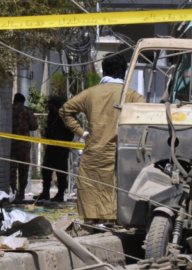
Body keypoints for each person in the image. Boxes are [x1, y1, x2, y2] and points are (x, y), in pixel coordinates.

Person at [60, 54, 145, 222]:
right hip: (120, 154)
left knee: (90, 187)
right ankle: (113, 221)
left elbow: (65, 110)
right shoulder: (131, 95)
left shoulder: (90, 93)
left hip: (94, 152)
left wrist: (82, 133)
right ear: (124, 72)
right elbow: (147, 113)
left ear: (104, 71)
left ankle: (92, 223)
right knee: (116, 188)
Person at [37, 96, 73, 202]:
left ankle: (60, 194)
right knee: (46, 170)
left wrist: (63, 141)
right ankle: (45, 192)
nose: (48, 106)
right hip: (51, 147)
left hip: (61, 149)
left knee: (61, 172)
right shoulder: (51, 116)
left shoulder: (64, 116)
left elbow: (70, 132)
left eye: (50, 104)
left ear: (55, 105)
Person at [9, 93, 38, 203]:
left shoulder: (9, 110)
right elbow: (34, 126)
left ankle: (13, 190)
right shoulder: (27, 110)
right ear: (23, 101)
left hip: (10, 143)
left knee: (11, 169)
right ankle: (21, 193)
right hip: (23, 144)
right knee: (23, 169)